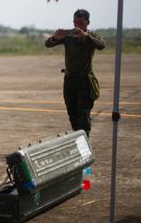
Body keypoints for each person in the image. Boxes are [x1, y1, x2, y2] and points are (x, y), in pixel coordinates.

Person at [45, 9, 105, 137]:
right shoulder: (68, 37)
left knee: (83, 117)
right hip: (70, 81)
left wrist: (86, 36)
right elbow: (48, 44)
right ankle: (79, 141)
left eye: (81, 23)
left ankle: (85, 144)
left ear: (87, 23)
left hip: (84, 82)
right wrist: (55, 37)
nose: (77, 26)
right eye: (75, 22)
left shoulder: (91, 37)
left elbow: (101, 45)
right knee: (72, 115)